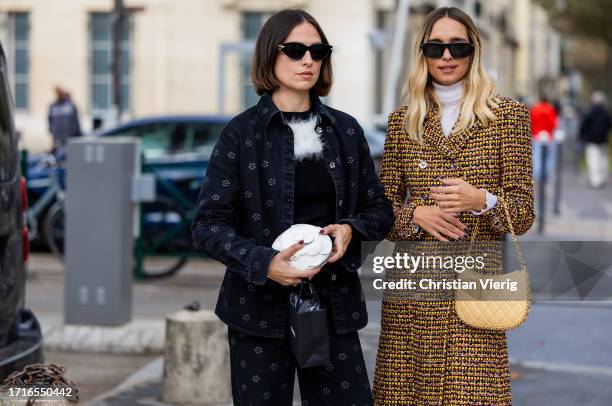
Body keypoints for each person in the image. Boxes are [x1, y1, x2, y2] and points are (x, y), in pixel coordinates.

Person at [192, 9, 393, 406]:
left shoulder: (346, 130)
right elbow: (207, 224)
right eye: (296, 49)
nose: (308, 60)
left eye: (318, 51)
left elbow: (380, 209)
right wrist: (265, 263)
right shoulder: (241, 134)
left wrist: (350, 228)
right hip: (257, 313)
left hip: (333, 305)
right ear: (270, 54)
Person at [374, 7, 535, 405]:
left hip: (475, 289)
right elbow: (378, 210)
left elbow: (524, 212)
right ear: (423, 54)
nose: (446, 57)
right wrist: (415, 214)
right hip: (413, 291)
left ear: (473, 51)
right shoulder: (402, 121)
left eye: (457, 47)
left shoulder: (507, 117)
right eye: (435, 47)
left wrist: (482, 200)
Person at [580, 91, 611, 189]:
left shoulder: (589, 113)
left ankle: (595, 181)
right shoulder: (606, 113)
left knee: (593, 161)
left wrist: (582, 136)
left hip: (592, 141)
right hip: (603, 140)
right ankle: (601, 179)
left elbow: (583, 126)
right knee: (602, 161)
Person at [530, 95, 558, 182]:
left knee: (537, 156)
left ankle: (537, 175)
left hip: (536, 136)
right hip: (549, 136)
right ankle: (547, 173)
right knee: (550, 156)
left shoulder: (535, 109)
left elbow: (531, 122)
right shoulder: (551, 109)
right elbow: (554, 123)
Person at [48, 86, 82, 153]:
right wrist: (52, 131)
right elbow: (50, 121)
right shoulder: (53, 106)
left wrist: (76, 133)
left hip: (70, 137)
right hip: (57, 138)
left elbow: (76, 121)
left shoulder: (70, 106)